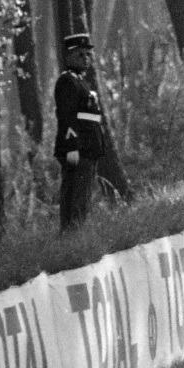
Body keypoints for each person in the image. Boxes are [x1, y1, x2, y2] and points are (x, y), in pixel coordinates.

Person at [53, 33, 130, 230]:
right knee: (75, 196)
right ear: (68, 57)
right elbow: (67, 117)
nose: (85, 59)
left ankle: (74, 233)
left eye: (88, 55)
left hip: (88, 148)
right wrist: (72, 147)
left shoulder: (80, 81)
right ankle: (71, 235)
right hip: (78, 149)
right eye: (80, 55)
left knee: (83, 196)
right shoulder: (67, 81)